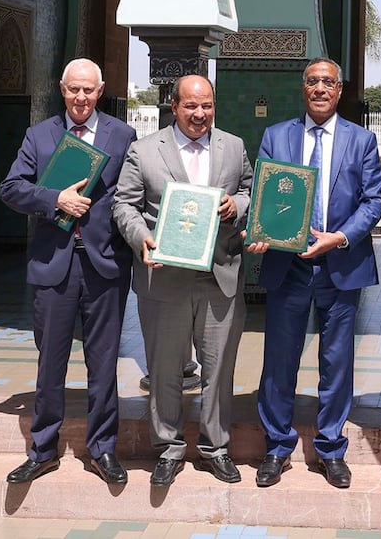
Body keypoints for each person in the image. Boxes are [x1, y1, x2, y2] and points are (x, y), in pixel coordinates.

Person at [0, 58, 137, 485]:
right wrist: (54, 198)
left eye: (89, 91)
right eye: (73, 90)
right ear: (62, 88)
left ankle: (102, 449)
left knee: (103, 363)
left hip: (104, 264)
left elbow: (133, 193)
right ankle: (43, 450)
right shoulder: (38, 135)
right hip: (54, 264)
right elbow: (11, 187)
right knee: (51, 362)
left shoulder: (123, 135)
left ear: (101, 90)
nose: (81, 98)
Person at [248, 58, 381, 489]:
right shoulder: (276, 135)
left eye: (329, 82)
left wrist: (339, 238)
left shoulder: (361, 140)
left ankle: (330, 447)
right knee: (279, 361)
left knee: (336, 361)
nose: (321, 89)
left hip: (340, 264)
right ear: (303, 88)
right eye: (313, 82)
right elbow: (262, 193)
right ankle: (277, 447)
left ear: (339, 90)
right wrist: (262, 229)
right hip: (287, 266)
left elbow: (373, 201)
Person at [113, 74, 253, 487]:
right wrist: (142, 238)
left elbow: (249, 189)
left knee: (218, 368)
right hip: (165, 276)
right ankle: (168, 448)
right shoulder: (143, 150)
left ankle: (216, 447)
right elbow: (125, 204)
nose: (200, 114)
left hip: (219, 275)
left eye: (207, 105)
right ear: (173, 106)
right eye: (191, 106)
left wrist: (237, 205)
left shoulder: (233, 147)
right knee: (165, 369)